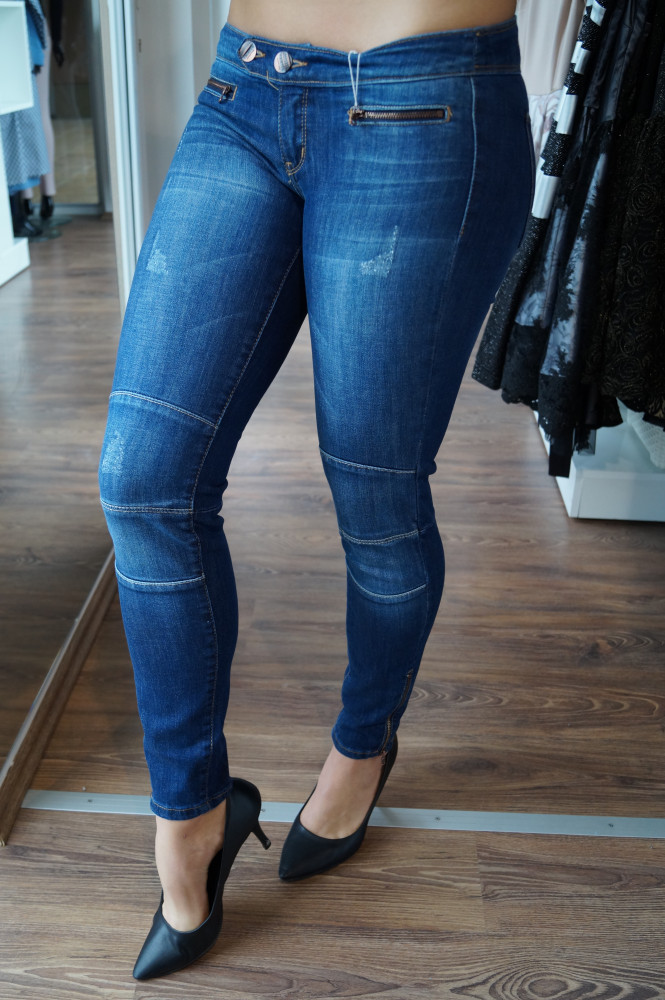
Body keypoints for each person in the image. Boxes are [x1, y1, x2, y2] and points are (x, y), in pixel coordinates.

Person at [98, 0, 532, 980]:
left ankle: (364, 741)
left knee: (374, 495)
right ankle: (190, 813)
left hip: (424, 94)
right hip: (243, 87)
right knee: (143, 481)